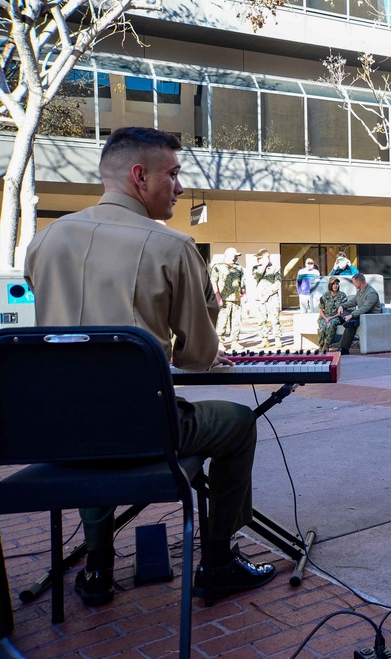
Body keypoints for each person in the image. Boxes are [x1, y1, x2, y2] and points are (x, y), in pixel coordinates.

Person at [23, 126, 275, 607]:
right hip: (144, 433)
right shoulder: (173, 247)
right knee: (239, 422)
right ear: (140, 176)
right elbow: (197, 359)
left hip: (61, 437)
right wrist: (206, 316)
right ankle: (218, 562)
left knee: (91, 421)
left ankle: (97, 568)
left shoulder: (44, 241)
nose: (180, 188)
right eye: (174, 175)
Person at [337, 272, 383, 355]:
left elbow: (365, 308)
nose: (353, 284)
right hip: (361, 314)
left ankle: (343, 348)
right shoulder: (360, 291)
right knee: (345, 313)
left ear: (359, 283)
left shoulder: (371, 293)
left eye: (354, 282)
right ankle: (351, 321)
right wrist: (342, 306)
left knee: (352, 321)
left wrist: (352, 315)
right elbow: (353, 302)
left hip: (370, 316)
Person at [210, 247, 246, 349]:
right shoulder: (217, 267)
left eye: (237, 256)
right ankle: (220, 342)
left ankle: (235, 341)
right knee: (222, 321)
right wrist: (217, 296)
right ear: (228, 255)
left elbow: (242, 282)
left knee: (236, 321)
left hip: (236, 299)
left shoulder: (238, 268)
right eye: (234, 255)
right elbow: (213, 282)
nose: (236, 258)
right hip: (224, 298)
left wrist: (244, 294)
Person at [252, 248, 283, 348]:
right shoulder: (256, 268)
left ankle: (277, 339)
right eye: (257, 258)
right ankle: (264, 340)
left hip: (272, 297)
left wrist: (268, 294)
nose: (258, 260)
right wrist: (263, 266)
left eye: (260, 258)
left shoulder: (275, 268)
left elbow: (278, 283)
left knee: (275, 319)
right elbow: (256, 277)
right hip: (260, 298)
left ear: (266, 258)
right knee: (261, 320)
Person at [317, 276, 349, 352]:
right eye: (333, 284)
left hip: (337, 317)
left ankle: (326, 346)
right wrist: (325, 318)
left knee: (331, 325)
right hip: (325, 316)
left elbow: (341, 312)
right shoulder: (325, 295)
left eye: (337, 284)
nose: (335, 286)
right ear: (330, 285)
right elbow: (320, 309)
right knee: (322, 327)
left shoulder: (342, 295)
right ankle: (321, 346)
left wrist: (330, 318)